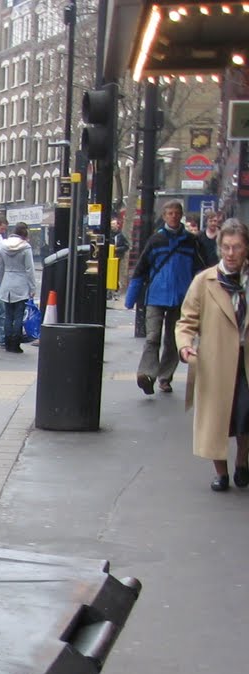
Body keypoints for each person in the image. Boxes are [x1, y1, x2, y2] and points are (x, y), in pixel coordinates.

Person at [177, 216, 249, 492]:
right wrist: (184, 345)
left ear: (245, 249)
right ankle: (221, 473)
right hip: (215, 361)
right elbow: (186, 321)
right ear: (219, 248)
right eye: (227, 247)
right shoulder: (204, 281)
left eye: (238, 247)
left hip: (245, 361)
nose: (231, 254)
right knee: (217, 420)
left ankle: (242, 461)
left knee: (245, 417)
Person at [133, 199, 207, 395]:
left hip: (182, 297)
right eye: (170, 213)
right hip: (156, 295)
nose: (173, 216)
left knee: (173, 340)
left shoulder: (191, 241)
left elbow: (201, 270)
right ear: (164, 216)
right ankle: (147, 374)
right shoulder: (155, 240)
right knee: (152, 337)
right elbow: (141, 268)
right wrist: (131, 297)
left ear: (181, 215)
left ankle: (165, 377)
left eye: (176, 213)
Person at [0, 222, 38, 353]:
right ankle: (15, 344)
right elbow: (29, 269)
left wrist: (2, 282)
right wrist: (32, 288)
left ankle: (7, 343)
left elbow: (0, 267)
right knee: (19, 315)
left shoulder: (3, 245)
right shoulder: (25, 247)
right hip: (20, 283)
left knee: (8, 315)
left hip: (7, 283)